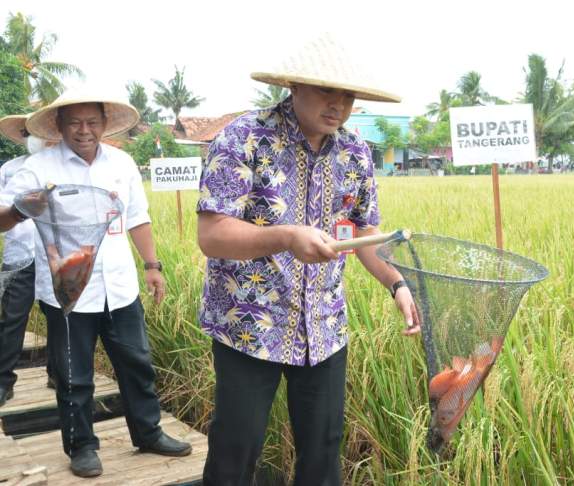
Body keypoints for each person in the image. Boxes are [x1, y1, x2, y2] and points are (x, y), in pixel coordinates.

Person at [197, 34, 420, 485]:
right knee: (235, 452)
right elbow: (212, 234)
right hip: (249, 326)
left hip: (323, 326)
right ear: (294, 86)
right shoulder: (244, 138)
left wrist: (397, 284)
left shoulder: (355, 151)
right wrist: (285, 237)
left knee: (322, 453)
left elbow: (359, 230)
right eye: (325, 91)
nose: (337, 104)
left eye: (347, 95)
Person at [0, 95, 192, 478]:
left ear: (105, 122)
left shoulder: (121, 164)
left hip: (120, 285)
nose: (84, 131)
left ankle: (148, 432)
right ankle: (82, 446)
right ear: (58, 125)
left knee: (137, 363)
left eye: (92, 122)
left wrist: (152, 266)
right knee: (74, 374)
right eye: (74, 123)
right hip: (67, 290)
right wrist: (22, 209)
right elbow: (3, 216)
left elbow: (138, 217)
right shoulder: (38, 168)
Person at [0, 114, 56, 407]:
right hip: (19, 255)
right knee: (12, 319)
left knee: (59, 317)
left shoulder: (59, 166)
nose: (31, 137)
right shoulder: (9, 170)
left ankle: (57, 373)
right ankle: (3, 381)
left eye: (35, 131)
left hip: (53, 256)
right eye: (25, 132)